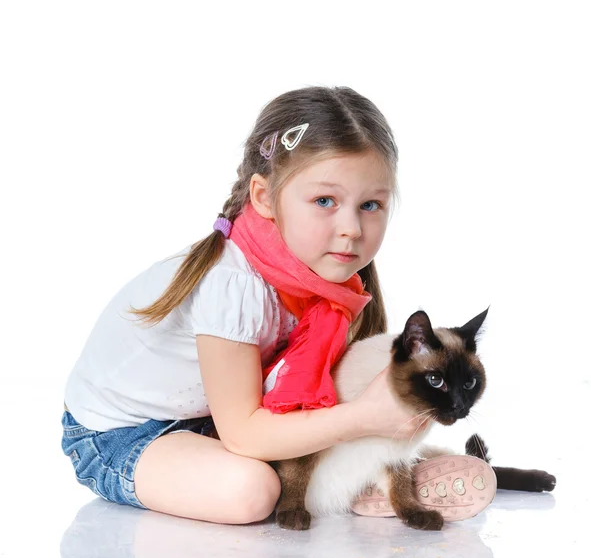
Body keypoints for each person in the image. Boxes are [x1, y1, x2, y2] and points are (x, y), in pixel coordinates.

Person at [61, 85, 494, 526]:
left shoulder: (325, 282)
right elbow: (246, 430)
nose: (351, 228)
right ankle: (358, 482)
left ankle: (381, 477)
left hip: (206, 422)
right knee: (253, 491)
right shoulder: (234, 284)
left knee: (311, 438)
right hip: (118, 434)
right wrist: (362, 417)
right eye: (324, 201)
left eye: (371, 205)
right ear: (264, 198)